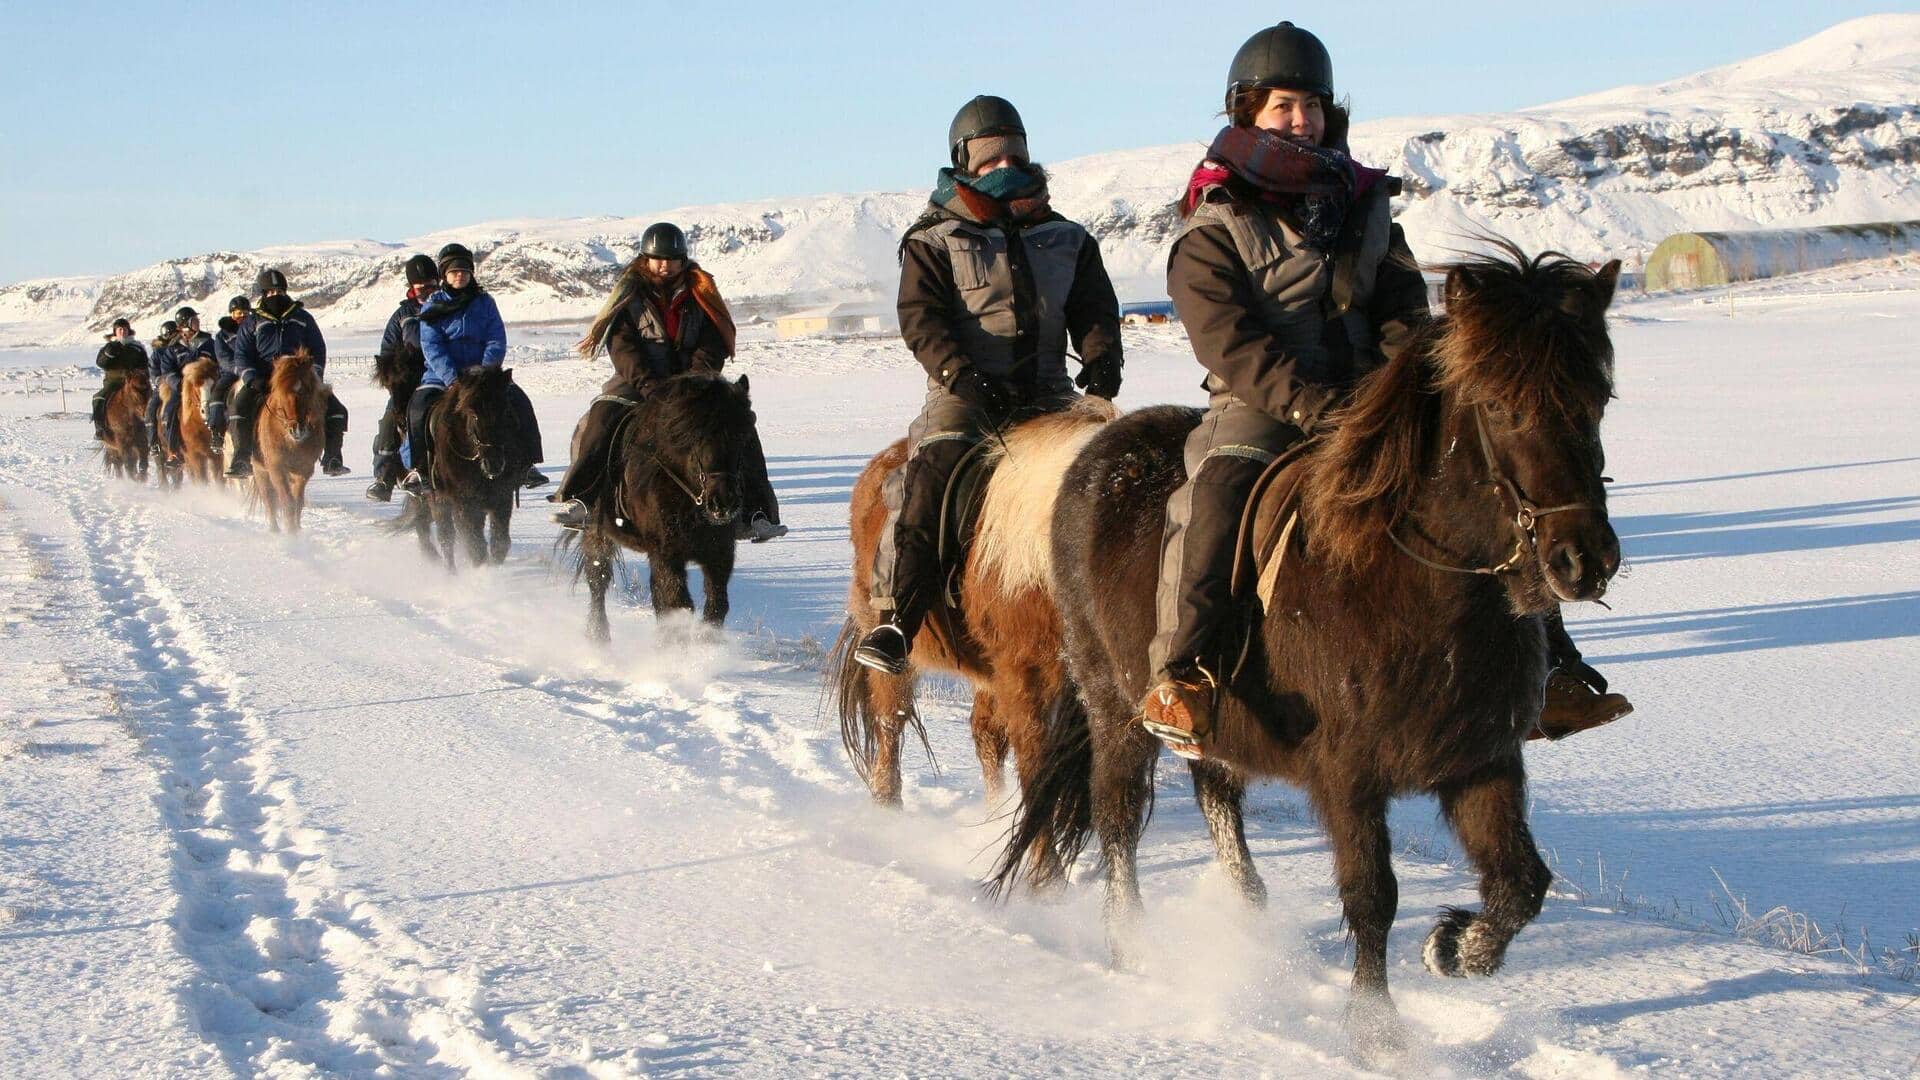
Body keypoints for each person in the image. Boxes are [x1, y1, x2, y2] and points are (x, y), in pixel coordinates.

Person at [1139, 22, 1629, 753]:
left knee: (1493, 488)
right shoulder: (1215, 224)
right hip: (1262, 406)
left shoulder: (1364, 205)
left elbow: (1402, 312)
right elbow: (1229, 341)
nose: (1300, 120)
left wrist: (1405, 387)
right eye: (1282, 106)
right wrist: (1310, 402)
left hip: (1374, 400)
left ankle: (1549, 669)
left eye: (1311, 105)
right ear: (1247, 113)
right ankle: (1186, 673)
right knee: (1216, 495)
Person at [851, 95, 1123, 675]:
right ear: (964, 163)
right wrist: (963, 376)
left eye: (1013, 155)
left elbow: (1094, 308)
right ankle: (899, 617)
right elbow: (921, 320)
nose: (1004, 166)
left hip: (1049, 395)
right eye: (989, 158)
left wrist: (1102, 360)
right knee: (931, 477)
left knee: (1121, 472)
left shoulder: (1067, 236)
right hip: (963, 397)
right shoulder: (933, 238)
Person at [550, 223, 785, 543]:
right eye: (658, 259)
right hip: (637, 383)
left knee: (738, 423)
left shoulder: (700, 293)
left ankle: (756, 513)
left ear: (682, 260)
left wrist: (694, 380)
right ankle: (582, 499)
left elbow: (712, 342)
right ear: (645, 259)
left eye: (672, 259)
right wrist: (650, 385)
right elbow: (622, 346)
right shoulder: (629, 295)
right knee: (602, 419)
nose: (665, 265)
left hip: (694, 385)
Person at [398, 244, 548, 493]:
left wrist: (486, 371)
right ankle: (419, 468)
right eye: (454, 271)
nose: (460, 275)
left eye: (464, 271)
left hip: (483, 376)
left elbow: (496, 338)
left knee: (520, 402)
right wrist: (451, 377)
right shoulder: (433, 305)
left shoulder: (485, 302)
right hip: (443, 377)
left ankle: (527, 463)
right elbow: (432, 345)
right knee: (418, 408)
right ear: (444, 275)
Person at [227, 268, 341, 477]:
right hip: (264, 379)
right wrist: (251, 378)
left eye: (279, 291)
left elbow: (318, 348)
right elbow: (242, 354)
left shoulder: (302, 318)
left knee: (336, 409)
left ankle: (333, 457)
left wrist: (313, 375)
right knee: (239, 406)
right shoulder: (253, 322)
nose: (276, 295)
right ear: (264, 294)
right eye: (271, 292)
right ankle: (241, 457)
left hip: (299, 379)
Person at [366, 254, 437, 501]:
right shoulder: (402, 315)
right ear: (411, 288)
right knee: (389, 421)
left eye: (431, 286)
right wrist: (397, 376)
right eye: (421, 288)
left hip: (444, 374)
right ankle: (384, 476)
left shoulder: (448, 307)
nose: (427, 292)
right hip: (410, 381)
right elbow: (387, 353)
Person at [152, 306, 215, 467]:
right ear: (184, 325)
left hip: (206, 385)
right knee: (169, 411)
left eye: (197, 320)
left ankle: (223, 440)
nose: (197, 323)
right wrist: (179, 384)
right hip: (183, 388)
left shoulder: (209, 343)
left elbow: (218, 363)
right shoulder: (173, 348)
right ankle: (174, 451)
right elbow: (167, 371)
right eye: (194, 320)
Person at [207, 295, 251, 453]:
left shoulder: (254, 328)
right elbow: (223, 358)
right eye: (239, 313)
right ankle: (216, 431)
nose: (242, 316)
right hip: (231, 372)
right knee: (217, 393)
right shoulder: (222, 335)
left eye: (245, 313)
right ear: (232, 314)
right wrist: (239, 369)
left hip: (253, 370)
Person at [92, 318, 148, 440]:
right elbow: (100, 363)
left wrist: (140, 376)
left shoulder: (137, 348)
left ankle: (153, 427)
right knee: (98, 398)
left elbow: (145, 365)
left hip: (134, 383)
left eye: (125, 329)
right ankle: (100, 428)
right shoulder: (109, 347)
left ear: (129, 331)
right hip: (113, 382)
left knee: (150, 399)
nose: (122, 332)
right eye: (120, 329)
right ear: (115, 332)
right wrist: (108, 354)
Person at [144, 320, 177, 462]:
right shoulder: (158, 353)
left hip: (179, 385)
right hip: (163, 387)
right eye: (173, 334)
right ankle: (153, 443)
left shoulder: (180, 348)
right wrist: (162, 382)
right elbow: (153, 373)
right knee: (150, 409)